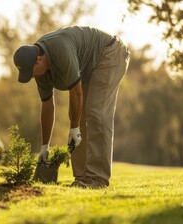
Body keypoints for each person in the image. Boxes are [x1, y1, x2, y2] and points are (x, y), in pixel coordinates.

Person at [13, 26, 130, 188]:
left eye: (31, 72)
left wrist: (74, 128)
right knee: (78, 118)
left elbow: (75, 93)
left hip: (109, 53)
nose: (32, 76)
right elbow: (47, 106)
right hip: (89, 67)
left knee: (97, 113)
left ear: (39, 59)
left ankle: (97, 179)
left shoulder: (60, 50)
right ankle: (82, 178)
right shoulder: (40, 71)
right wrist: (45, 146)